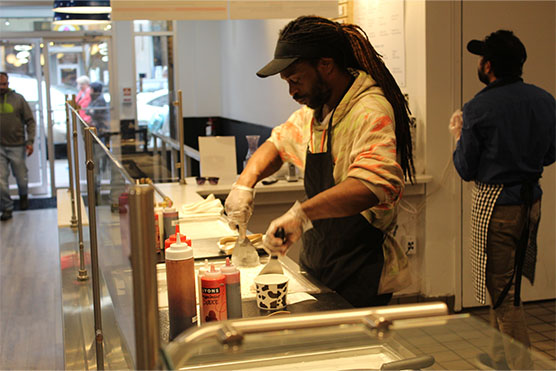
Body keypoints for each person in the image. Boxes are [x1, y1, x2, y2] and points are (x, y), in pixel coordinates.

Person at [225, 16, 414, 308]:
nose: (292, 92)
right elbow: (278, 143)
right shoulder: (319, 111)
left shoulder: (369, 111)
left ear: (325, 65)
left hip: (361, 270)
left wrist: (301, 215)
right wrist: (245, 184)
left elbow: (371, 185)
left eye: (295, 80)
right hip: (321, 262)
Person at [451, 30, 555, 369]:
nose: (479, 64)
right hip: (531, 201)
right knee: (508, 284)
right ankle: (499, 358)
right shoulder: (545, 100)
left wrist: (458, 135)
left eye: (482, 59)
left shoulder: (477, 107)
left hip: (497, 205)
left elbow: (466, 168)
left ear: (489, 65)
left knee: (503, 292)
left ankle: (520, 366)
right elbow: (551, 154)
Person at [0, 72, 36, 221]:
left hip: (17, 145)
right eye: (0, 84)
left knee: (21, 178)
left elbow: (30, 121)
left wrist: (30, 141)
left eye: (5, 84)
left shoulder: (18, 99)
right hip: (0, 147)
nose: (3, 87)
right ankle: (7, 208)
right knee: (1, 180)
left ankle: (23, 196)